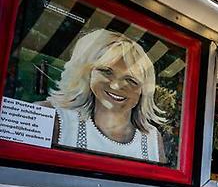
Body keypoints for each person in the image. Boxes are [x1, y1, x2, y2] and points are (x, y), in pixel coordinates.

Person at [44, 29, 166, 163]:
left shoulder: (152, 139)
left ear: (143, 91)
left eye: (131, 80)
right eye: (106, 71)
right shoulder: (54, 118)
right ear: (87, 73)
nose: (116, 86)